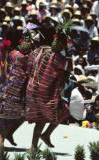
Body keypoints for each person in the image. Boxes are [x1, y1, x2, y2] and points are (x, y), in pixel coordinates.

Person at [26, 20, 73, 152]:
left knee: (43, 118)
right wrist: (66, 50)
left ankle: (38, 141)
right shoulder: (54, 55)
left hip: (32, 89)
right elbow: (69, 68)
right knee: (62, 112)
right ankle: (36, 144)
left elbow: (28, 68)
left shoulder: (35, 51)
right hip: (45, 90)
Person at [0, 28, 30, 151]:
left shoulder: (0, 54)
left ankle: (4, 138)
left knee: (3, 117)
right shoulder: (19, 56)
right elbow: (20, 76)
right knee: (24, 113)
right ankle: (1, 143)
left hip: (0, 90)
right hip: (12, 92)